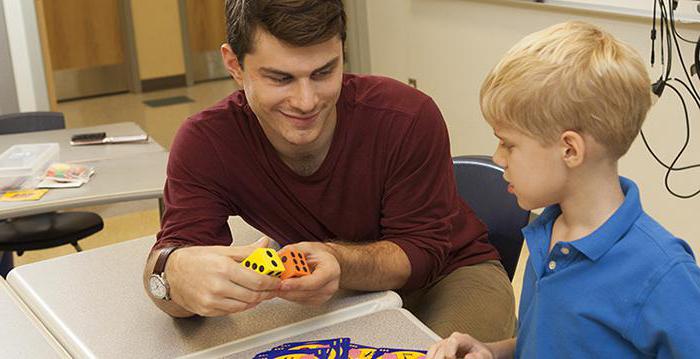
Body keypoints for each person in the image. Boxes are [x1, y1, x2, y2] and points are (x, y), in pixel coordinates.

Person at [142, 0, 516, 340]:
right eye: (281, 78)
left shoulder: (407, 116)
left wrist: (337, 261)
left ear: (342, 52)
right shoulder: (206, 141)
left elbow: (420, 253)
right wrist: (173, 276)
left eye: (323, 72)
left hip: (451, 275)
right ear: (235, 65)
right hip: (340, 293)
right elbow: (170, 260)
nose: (306, 102)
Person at [427, 21, 700, 359]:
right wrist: (494, 351)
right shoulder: (547, 234)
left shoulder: (663, 274)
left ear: (569, 150)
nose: (498, 158)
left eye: (508, 144)